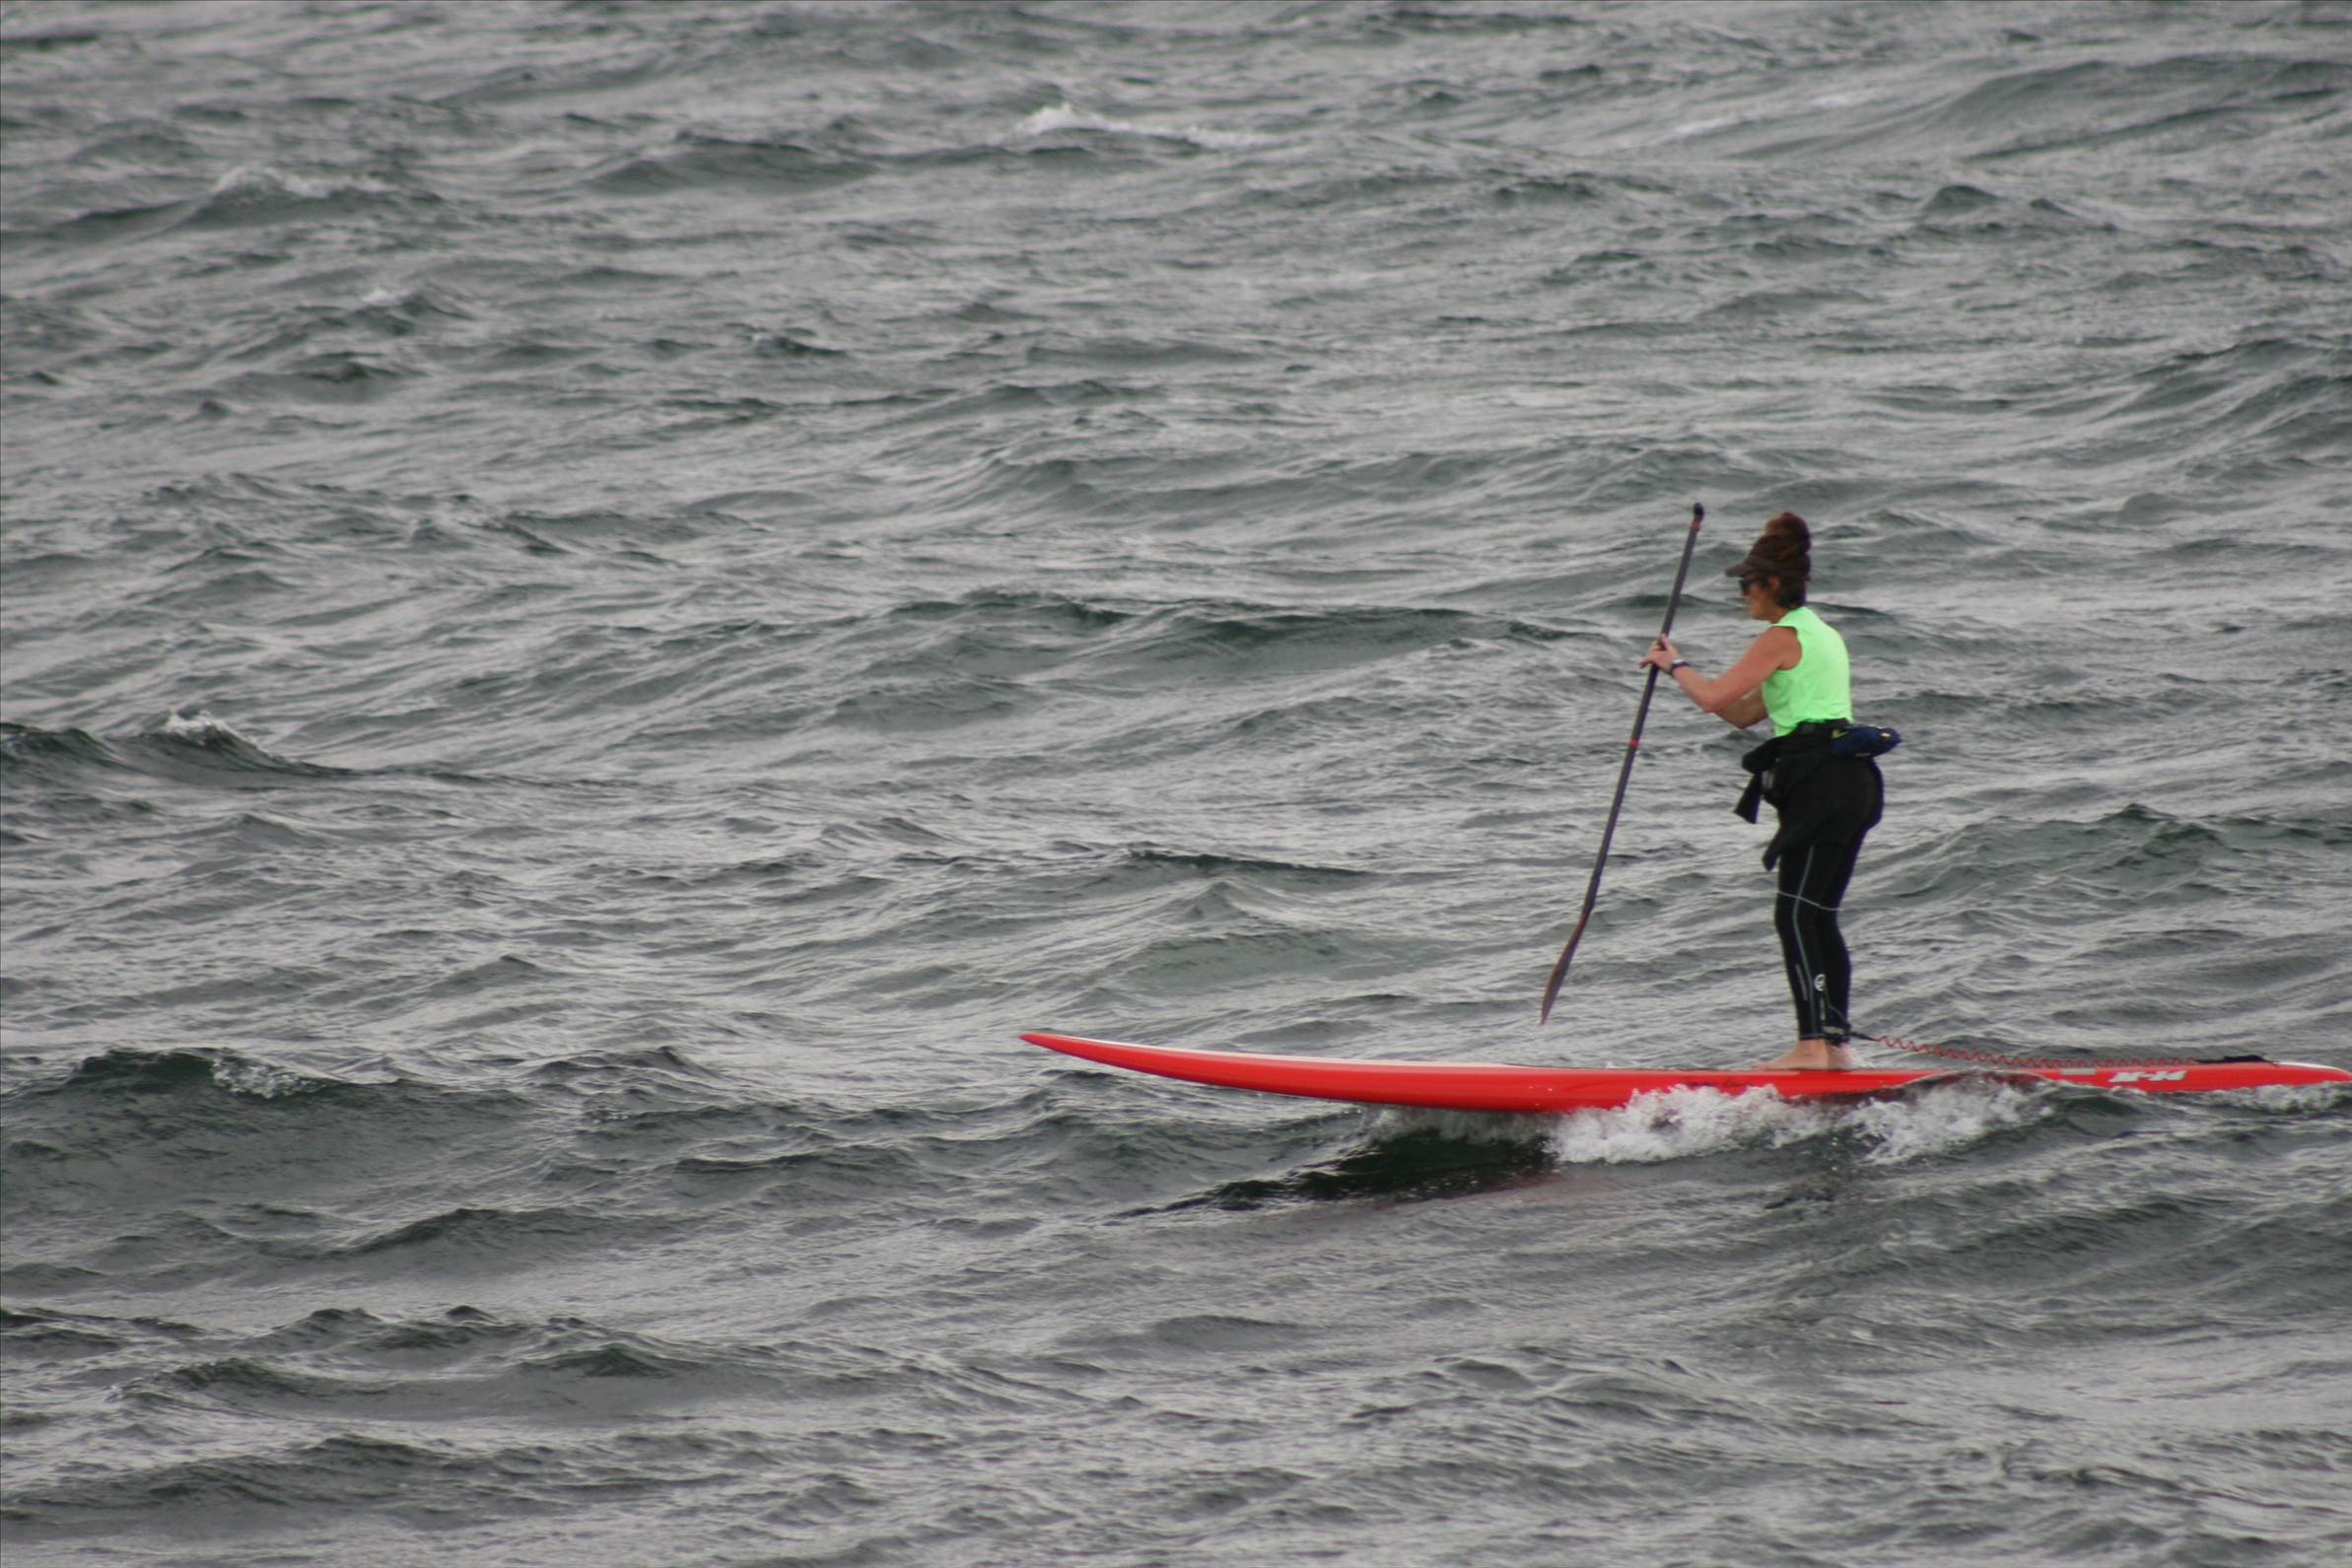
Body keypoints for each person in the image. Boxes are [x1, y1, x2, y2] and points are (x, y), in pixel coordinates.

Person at [1636, 512, 1884, 1070]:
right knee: (1817, 914)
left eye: (1747, 583)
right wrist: (1680, 672)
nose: (1741, 593)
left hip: (1821, 785)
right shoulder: (1822, 635)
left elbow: (1713, 697)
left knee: (1794, 915)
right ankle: (1835, 1047)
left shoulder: (1780, 636)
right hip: (1853, 783)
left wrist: (1674, 664)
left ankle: (1811, 1047)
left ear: (1773, 583)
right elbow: (1741, 712)